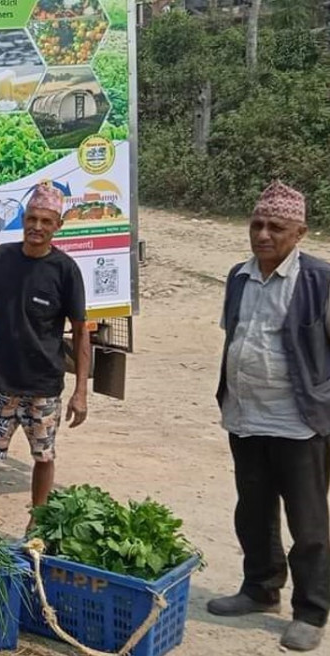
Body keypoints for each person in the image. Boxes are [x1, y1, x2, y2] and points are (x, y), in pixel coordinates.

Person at [206, 181, 329, 652]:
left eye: (275, 227)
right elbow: (234, 336)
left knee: (309, 522)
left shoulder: (319, 280)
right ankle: (260, 589)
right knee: (253, 511)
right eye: (256, 224)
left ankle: (312, 610)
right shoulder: (239, 276)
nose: (262, 234)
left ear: (299, 232)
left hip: (300, 422)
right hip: (246, 415)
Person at [0, 183, 88, 518]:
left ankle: (37, 526)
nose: (37, 227)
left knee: (43, 457)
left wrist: (81, 392)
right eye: (32, 219)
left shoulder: (65, 270)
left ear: (57, 226)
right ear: (22, 219)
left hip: (43, 388)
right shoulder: (2, 258)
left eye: (46, 221)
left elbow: (81, 331)